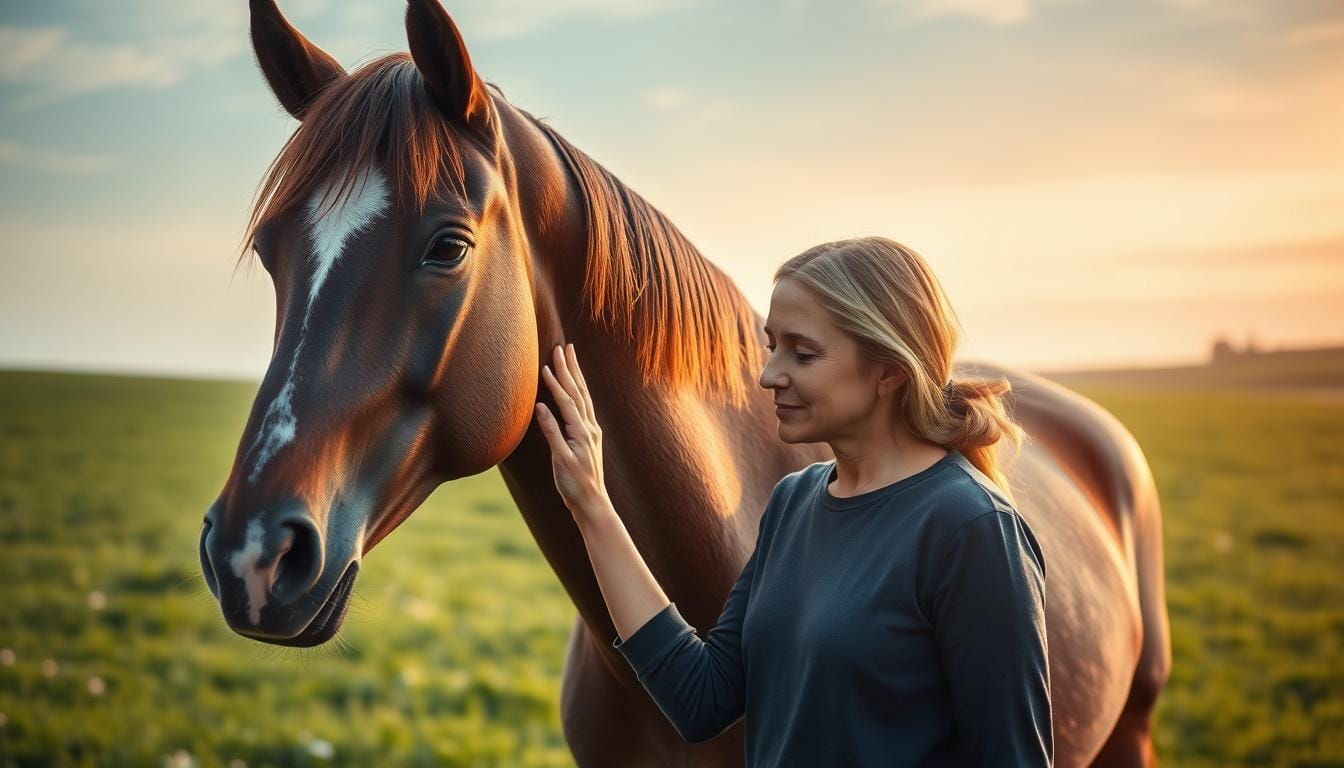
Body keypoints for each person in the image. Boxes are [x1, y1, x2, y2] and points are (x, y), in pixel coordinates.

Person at [533, 236, 1053, 766]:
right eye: (773, 347)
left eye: (803, 354)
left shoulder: (972, 529)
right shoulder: (794, 501)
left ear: (890, 370)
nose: (769, 375)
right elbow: (699, 700)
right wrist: (591, 504)